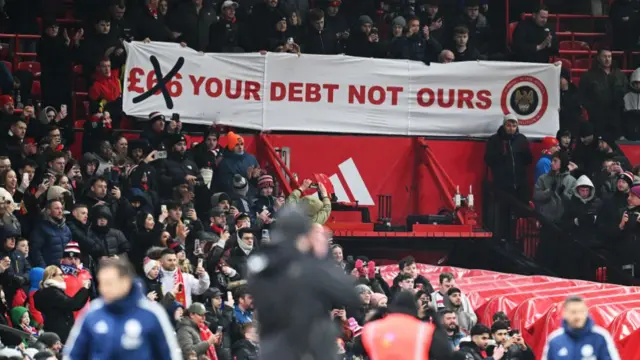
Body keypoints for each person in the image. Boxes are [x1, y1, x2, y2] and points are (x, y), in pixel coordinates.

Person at [247, 205, 361, 360]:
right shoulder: (311, 266)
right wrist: (323, 257)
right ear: (304, 235)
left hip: (275, 344)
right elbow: (350, 294)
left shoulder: (262, 260)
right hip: (308, 344)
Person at [64, 258, 182, 360]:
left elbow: (170, 355)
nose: (103, 289)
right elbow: (72, 356)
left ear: (125, 282)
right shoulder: (92, 314)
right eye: (101, 283)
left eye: (109, 283)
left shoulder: (151, 313)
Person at [360, 291, 453, 359]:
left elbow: (356, 349)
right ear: (414, 309)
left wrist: (374, 317)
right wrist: (435, 318)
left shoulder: (372, 328)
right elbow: (446, 353)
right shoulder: (423, 330)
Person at [541, 296, 620, 360]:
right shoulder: (555, 340)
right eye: (573, 312)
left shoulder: (600, 337)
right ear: (564, 314)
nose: (578, 316)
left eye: (581, 312)